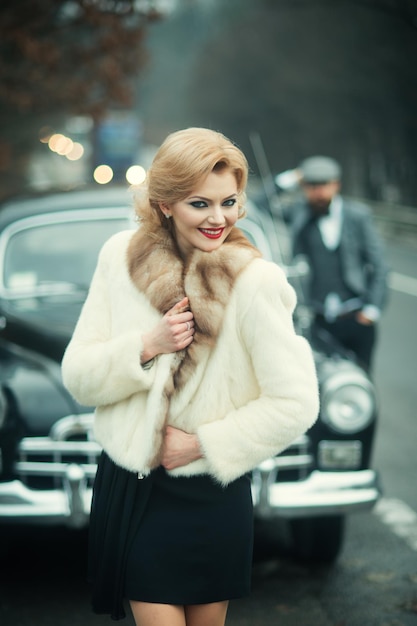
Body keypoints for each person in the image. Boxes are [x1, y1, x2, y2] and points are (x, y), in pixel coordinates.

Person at [61, 127, 319, 626]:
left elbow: (296, 402)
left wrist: (200, 442)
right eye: (200, 203)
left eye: (229, 202)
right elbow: (78, 376)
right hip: (131, 484)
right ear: (164, 203)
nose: (218, 218)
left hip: (211, 494)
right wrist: (146, 346)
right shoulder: (120, 256)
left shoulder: (256, 281)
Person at [287, 155, 388, 372]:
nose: (319, 192)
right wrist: (291, 177)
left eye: (324, 185)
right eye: (311, 186)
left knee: (360, 382)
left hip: (355, 316)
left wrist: (372, 310)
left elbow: (379, 264)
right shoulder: (299, 213)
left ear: (336, 185)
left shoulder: (358, 216)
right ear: (303, 187)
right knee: (320, 384)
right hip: (318, 319)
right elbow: (258, 204)